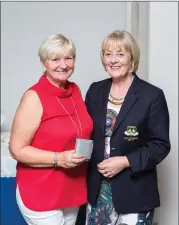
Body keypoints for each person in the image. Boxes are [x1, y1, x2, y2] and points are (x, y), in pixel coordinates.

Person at [85, 30, 170, 225]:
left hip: (134, 191)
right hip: (97, 191)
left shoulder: (152, 95)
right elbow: (84, 131)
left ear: (132, 57)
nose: (113, 60)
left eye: (120, 54)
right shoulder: (95, 90)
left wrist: (125, 161)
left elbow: (160, 145)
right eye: (108, 54)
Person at [9, 34, 93, 225]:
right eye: (55, 59)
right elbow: (17, 149)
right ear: (43, 63)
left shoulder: (75, 90)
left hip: (72, 188)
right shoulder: (33, 97)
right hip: (41, 191)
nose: (63, 65)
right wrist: (58, 158)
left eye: (68, 58)